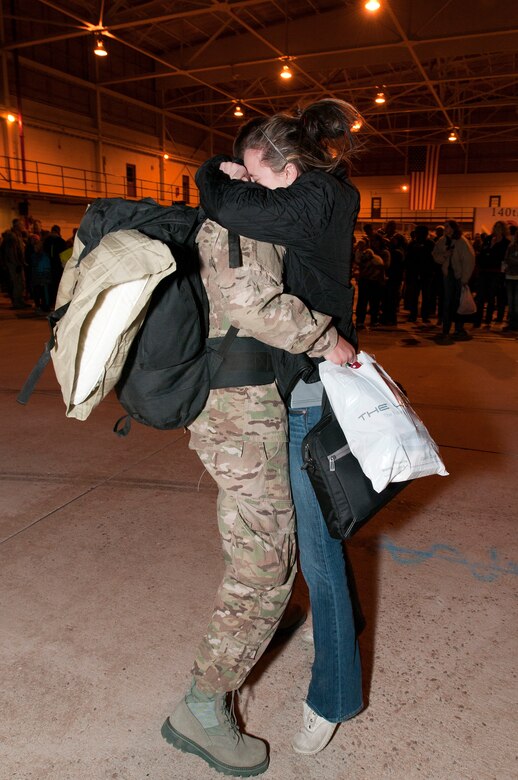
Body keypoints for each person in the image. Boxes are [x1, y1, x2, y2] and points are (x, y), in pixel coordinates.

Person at [195, 99, 364, 756]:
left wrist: (216, 170)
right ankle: (328, 640)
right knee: (311, 544)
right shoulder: (312, 195)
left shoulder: (316, 196)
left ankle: (333, 696)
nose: (248, 183)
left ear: (288, 173)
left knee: (315, 551)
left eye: (257, 172)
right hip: (304, 380)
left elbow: (230, 210)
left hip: (311, 385)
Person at [161, 213, 352, 777]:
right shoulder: (241, 220)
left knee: (268, 548)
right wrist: (326, 337)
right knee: (265, 569)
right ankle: (201, 705)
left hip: (240, 407)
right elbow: (250, 304)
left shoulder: (238, 214)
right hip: (239, 412)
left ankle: (271, 617)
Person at [432, 219, 475, 344]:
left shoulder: (462, 242)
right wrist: (445, 255)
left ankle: (458, 328)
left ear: (454, 228)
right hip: (448, 275)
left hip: (459, 276)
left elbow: (469, 261)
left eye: (447, 226)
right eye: (445, 226)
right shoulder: (442, 241)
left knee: (458, 302)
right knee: (447, 302)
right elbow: (435, 255)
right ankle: (446, 329)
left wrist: (465, 279)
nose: (445, 228)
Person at [473, 220, 509, 328]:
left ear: (503, 229)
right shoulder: (488, 239)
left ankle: (488, 320)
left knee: (491, 297)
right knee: (480, 297)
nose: (497, 229)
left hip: (496, 272)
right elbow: (482, 253)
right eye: (495, 226)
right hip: (484, 271)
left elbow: (503, 258)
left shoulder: (505, 243)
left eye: (499, 227)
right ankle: (477, 320)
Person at [502, 224, 518, 332]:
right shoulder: (511, 246)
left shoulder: (511, 246)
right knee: (511, 302)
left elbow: (509, 259)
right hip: (509, 276)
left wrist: (511, 260)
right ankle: (512, 323)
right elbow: (506, 258)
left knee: (516, 302)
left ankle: (515, 323)